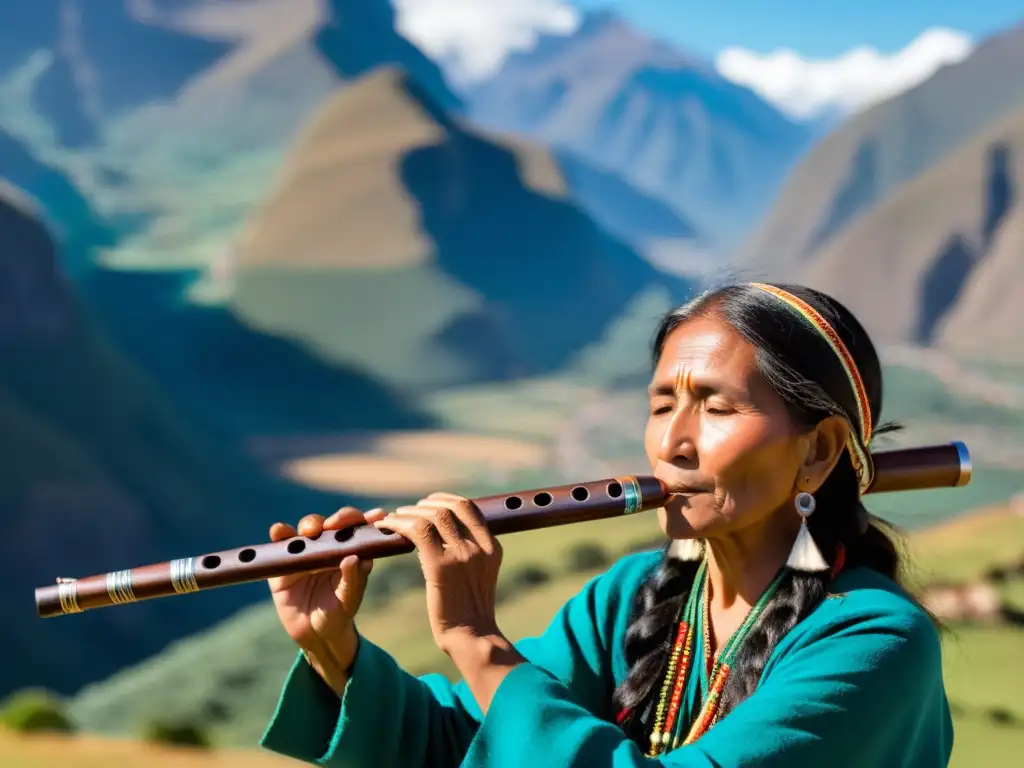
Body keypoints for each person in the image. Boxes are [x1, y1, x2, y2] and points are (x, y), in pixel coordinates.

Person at [258, 282, 953, 767]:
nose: (672, 444)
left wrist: (476, 638)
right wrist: (333, 648)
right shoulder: (632, 596)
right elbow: (467, 742)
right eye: (661, 405)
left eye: (715, 408)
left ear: (820, 451)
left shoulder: (875, 642)